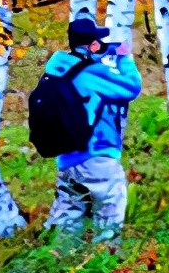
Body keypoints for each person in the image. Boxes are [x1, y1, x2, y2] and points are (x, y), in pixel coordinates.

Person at [42, 17, 142, 240]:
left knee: (69, 216)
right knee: (109, 211)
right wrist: (124, 58)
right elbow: (131, 87)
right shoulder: (91, 74)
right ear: (93, 45)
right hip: (96, 154)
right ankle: (105, 265)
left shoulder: (58, 71)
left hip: (67, 157)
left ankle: (59, 265)